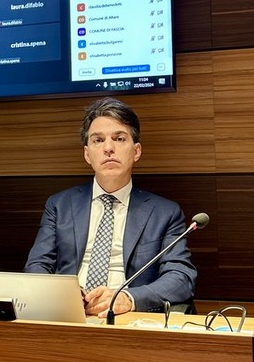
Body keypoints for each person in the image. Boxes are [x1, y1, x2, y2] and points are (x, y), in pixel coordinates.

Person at [24, 98, 196, 316]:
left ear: (136, 151)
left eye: (119, 139)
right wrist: (64, 294)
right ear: (87, 154)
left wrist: (128, 298)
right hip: (69, 314)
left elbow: (180, 277)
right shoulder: (59, 205)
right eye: (98, 140)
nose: (108, 148)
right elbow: (36, 266)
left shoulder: (165, 213)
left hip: (128, 318)